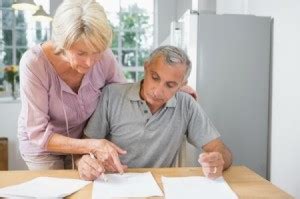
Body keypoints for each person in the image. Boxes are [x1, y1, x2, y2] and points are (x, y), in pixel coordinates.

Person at [76, 45, 232, 180]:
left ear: (182, 85)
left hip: (160, 188)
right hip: (113, 183)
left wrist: (219, 160)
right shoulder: (112, 95)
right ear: (146, 67)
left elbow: (221, 150)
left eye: (170, 85)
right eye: (155, 77)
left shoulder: (187, 105)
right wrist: (83, 162)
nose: (158, 91)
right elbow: (84, 147)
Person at [18, 0, 127, 171]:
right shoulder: (34, 64)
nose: (90, 62)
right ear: (62, 44)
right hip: (43, 146)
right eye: (81, 53)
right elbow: (38, 133)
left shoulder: (105, 57)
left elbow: (122, 94)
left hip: (86, 140)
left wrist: (170, 89)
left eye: (96, 52)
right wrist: (92, 146)